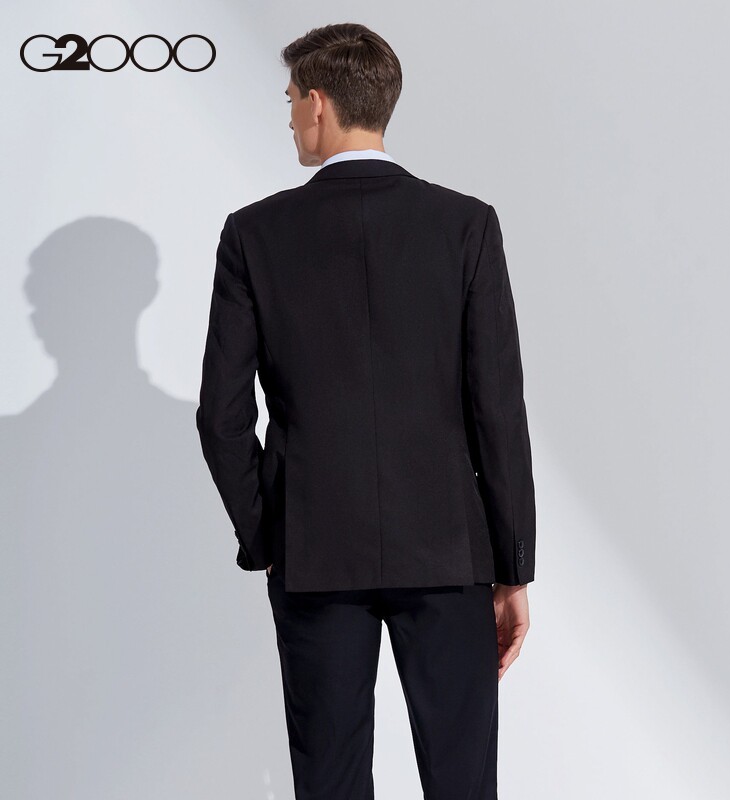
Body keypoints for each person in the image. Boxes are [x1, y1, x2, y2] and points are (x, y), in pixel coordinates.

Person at [196, 21, 536, 800]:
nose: (289, 117)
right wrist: (513, 566)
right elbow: (497, 409)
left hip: (315, 553)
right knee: (462, 783)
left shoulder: (254, 234)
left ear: (318, 103)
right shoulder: (465, 225)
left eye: (290, 99)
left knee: (330, 781)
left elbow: (221, 416)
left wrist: (269, 535)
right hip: (450, 554)